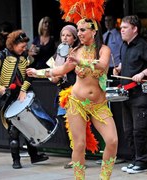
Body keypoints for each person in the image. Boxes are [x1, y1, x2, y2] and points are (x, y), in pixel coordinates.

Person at [27, 1, 118, 178]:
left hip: (99, 104)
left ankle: (104, 177)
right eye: (78, 29)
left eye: (83, 29)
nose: (79, 33)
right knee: (79, 145)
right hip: (77, 103)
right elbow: (59, 70)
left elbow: (102, 66)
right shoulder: (75, 51)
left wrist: (80, 62)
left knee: (112, 141)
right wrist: (37, 72)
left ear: (94, 30)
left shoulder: (104, 50)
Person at [0, 30, 49, 169]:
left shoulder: (25, 57)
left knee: (28, 125)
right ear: (13, 44)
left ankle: (34, 156)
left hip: (21, 95)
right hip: (7, 97)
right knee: (13, 130)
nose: (24, 48)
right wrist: (0, 87)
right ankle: (16, 160)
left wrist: (23, 90)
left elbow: (29, 76)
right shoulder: (0, 57)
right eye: (22, 45)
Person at [113, 15, 147, 174]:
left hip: (142, 95)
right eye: (121, 28)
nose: (121, 31)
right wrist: (119, 68)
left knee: (139, 130)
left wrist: (142, 74)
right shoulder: (124, 45)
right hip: (127, 94)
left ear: (135, 29)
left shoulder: (144, 45)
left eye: (125, 28)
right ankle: (135, 160)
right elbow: (127, 62)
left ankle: (143, 162)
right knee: (128, 130)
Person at [48, 25, 79, 169]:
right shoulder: (58, 53)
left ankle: (78, 157)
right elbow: (54, 77)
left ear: (74, 38)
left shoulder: (78, 52)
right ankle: (74, 154)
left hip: (76, 92)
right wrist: (52, 75)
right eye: (63, 35)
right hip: (62, 93)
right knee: (64, 124)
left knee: (76, 126)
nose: (65, 38)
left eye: (68, 35)